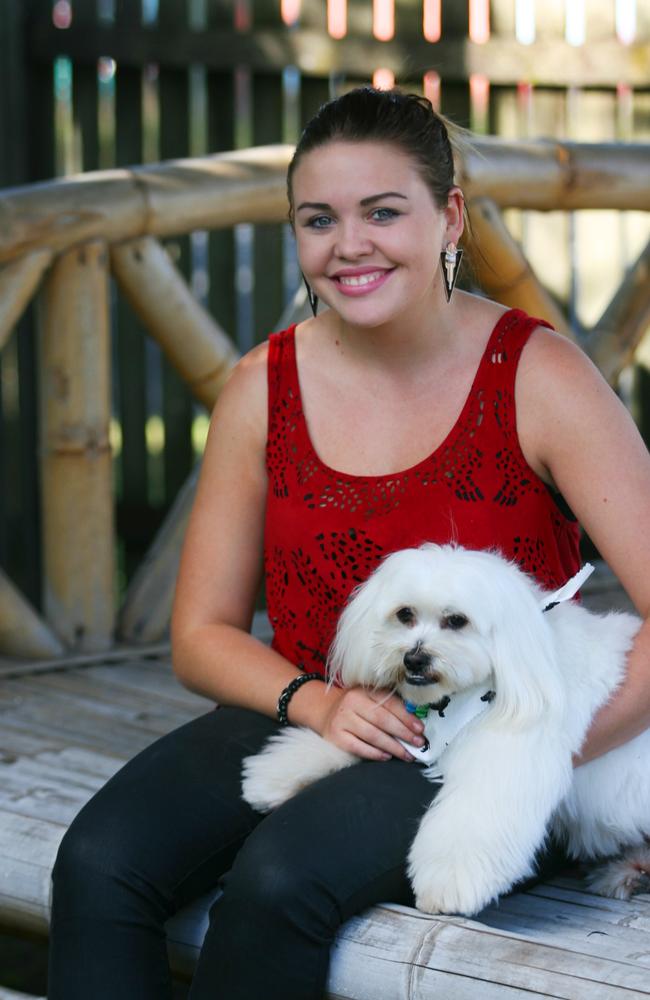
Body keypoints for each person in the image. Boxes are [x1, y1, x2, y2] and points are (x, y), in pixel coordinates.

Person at [48, 87, 650, 999]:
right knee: (97, 860)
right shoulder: (265, 387)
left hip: (483, 723)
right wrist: (315, 703)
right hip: (311, 706)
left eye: (383, 212)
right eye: (318, 219)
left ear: (450, 217)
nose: (350, 244)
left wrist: (526, 762)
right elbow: (201, 634)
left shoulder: (540, 375)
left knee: (279, 883)